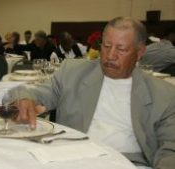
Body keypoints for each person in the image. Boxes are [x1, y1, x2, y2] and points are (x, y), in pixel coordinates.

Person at [14, 17, 175, 169]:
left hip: (128, 162)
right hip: (73, 158)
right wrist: (25, 99)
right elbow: (38, 94)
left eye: (121, 49)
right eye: (106, 46)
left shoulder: (163, 94)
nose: (111, 55)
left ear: (139, 53)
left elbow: (170, 148)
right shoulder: (72, 73)